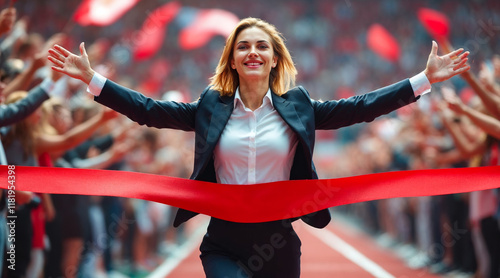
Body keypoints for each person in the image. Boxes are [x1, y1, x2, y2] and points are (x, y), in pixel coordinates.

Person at [48, 17, 470, 277]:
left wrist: (422, 80)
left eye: (261, 46)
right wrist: (93, 80)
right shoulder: (211, 106)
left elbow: (360, 108)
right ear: (232, 59)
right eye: (243, 46)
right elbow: (149, 111)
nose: (252, 51)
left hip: (279, 241)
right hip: (224, 240)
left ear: (274, 59)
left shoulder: (299, 104)